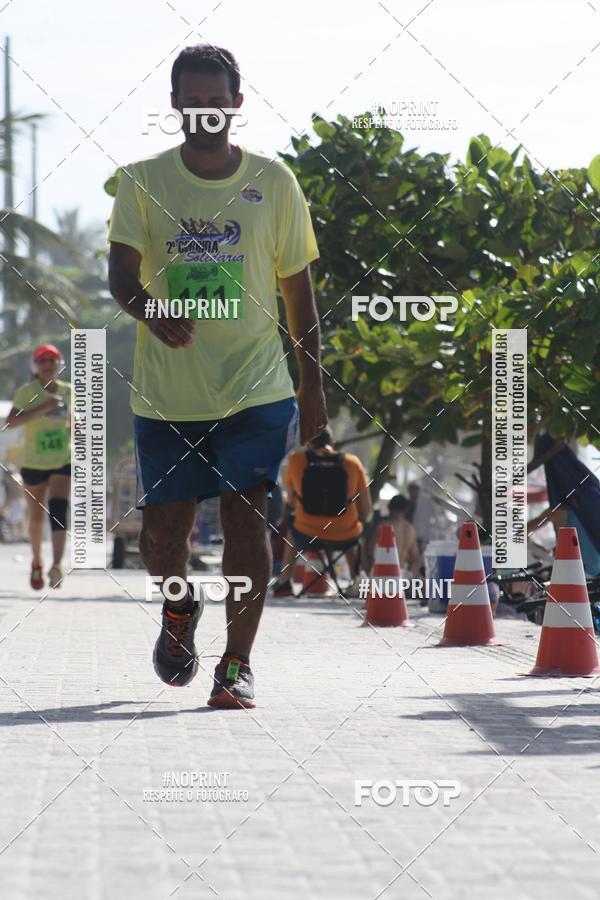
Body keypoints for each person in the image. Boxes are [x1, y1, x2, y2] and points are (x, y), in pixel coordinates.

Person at [108, 45, 327, 708]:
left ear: (236, 103)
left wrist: (312, 389)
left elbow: (300, 293)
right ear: (175, 105)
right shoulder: (141, 182)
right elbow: (120, 275)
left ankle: (237, 665)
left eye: (216, 101)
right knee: (161, 537)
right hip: (169, 395)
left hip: (255, 388)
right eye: (191, 101)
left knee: (245, 518)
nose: (204, 112)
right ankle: (179, 610)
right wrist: (151, 309)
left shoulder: (275, 182)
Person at [272, 428, 371, 596]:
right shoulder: (353, 463)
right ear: (332, 443)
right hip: (344, 534)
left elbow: (291, 502)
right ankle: (357, 580)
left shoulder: (296, 461)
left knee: (292, 529)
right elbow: (366, 509)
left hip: (307, 533)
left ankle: (284, 582)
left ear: (309, 443)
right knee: (353, 530)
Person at [4, 344, 71, 589]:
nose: (47, 364)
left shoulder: (69, 392)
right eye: (42, 360)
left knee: (59, 511)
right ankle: (36, 561)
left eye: (52, 360)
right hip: (33, 463)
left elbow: (77, 420)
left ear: (59, 364)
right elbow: (10, 422)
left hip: (63, 460)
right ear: (36, 366)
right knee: (35, 518)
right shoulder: (27, 392)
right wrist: (43, 408)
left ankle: (56, 565)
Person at [528, 506, 600, 577]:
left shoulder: (557, 512)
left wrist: (540, 551)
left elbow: (522, 533)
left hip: (581, 572)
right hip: (589, 572)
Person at [366, 494, 420, 577]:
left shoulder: (384, 526)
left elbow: (370, 551)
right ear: (405, 510)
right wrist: (410, 578)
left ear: (389, 507)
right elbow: (415, 558)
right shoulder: (410, 529)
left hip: (382, 573)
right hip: (400, 574)